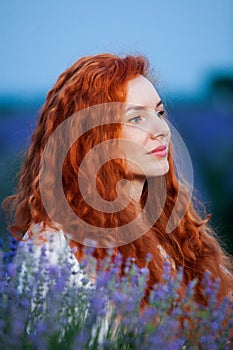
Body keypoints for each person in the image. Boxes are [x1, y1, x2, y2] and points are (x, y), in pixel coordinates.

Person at [2, 53, 233, 307]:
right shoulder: (53, 247)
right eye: (136, 119)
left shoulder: (176, 233)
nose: (162, 130)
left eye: (159, 113)